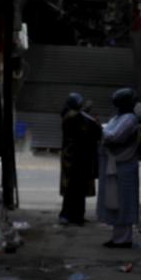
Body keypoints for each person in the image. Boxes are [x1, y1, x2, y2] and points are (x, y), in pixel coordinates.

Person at [99, 86, 141, 248]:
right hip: (117, 165)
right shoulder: (119, 118)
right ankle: (118, 237)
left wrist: (99, 129)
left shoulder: (129, 118)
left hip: (125, 165)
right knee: (117, 201)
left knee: (124, 202)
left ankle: (123, 239)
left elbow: (114, 136)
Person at [58, 91, 101, 225]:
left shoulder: (73, 116)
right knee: (74, 188)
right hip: (74, 158)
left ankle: (75, 215)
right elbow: (88, 129)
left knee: (76, 188)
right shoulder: (72, 116)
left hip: (77, 158)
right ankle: (71, 215)